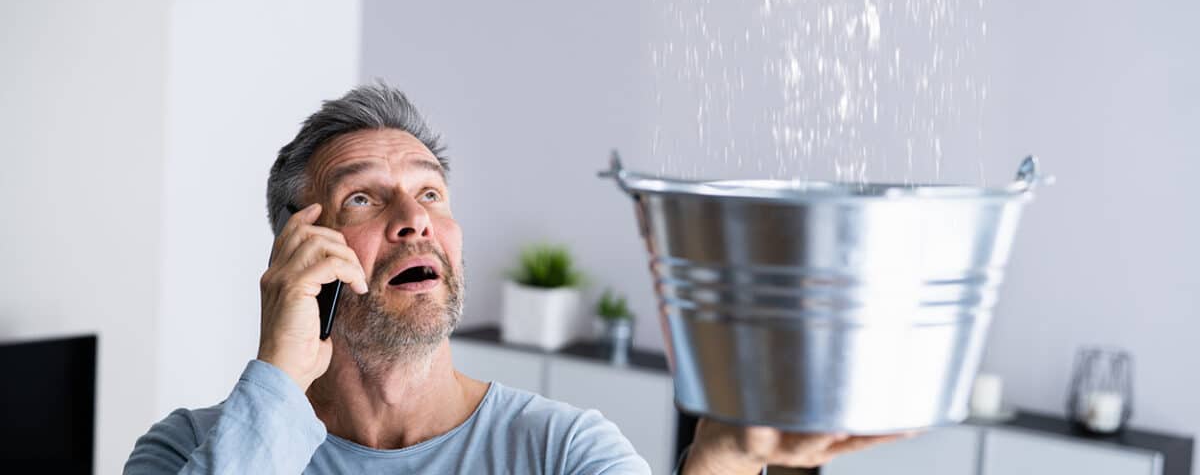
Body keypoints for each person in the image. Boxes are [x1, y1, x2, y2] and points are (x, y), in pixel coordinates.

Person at [124, 83, 905, 474]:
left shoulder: (563, 452)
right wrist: (278, 377)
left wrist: (722, 462)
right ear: (300, 253)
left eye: (431, 193)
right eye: (365, 196)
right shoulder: (192, 448)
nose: (415, 217)